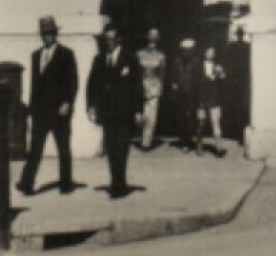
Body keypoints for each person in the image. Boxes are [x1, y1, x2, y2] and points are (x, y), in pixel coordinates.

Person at [17, 15, 78, 196]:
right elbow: (35, 85)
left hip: (60, 110)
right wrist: (31, 109)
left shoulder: (66, 54)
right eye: (44, 34)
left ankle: (65, 183)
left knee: (63, 148)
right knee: (35, 149)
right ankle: (26, 183)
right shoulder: (36, 55)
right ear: (41, 35)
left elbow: (73, 81)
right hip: (40, 111)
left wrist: (67, 102)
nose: (48, 37)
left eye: (51, 33)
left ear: (56, 33)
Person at [86, 26, 142, 198]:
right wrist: (91, 106)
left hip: (125, 111)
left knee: (122, 147)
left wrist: (138, 110)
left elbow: (137, 86)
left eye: (111, 39)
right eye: (106, 40)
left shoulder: (130, 59)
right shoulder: (99, 59)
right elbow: (92, 84)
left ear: (118, 40)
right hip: (107, 111)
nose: (108, 43)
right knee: (111, 147)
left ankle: (120, 183)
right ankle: (115, 181)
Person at [135, 28, 167, 151]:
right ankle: (141, 136)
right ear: (147, 37)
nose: (153, 39)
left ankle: (146, 142)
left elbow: (162, 74)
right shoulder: (139, 54)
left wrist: (161, 87)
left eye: (155, 36)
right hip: (140, 85)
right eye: (151, 35)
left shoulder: (161, 56)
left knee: (151, 116)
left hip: (154, 86)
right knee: (140, 114)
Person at [168, 38, 202, 153]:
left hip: (193, 95)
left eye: (188, 50)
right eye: (184, 50)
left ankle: (192, 142)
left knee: (191, 118)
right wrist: (174, 85)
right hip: (180, 95)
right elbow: (172, 76)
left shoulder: (197, 62)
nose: (186, 53)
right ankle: (184, 141)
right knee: (181, 118)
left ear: (192, 51)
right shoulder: (176, 61)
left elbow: (199, 79)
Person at [199, 45, 228, 156]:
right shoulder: (199, 66)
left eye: (213, 52)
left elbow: (224, 80)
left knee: (216, 122)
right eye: (209, 52)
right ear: (204, 54)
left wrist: (221, 74)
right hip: (202, 98)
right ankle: (199, 145)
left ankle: (219, 148)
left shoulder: (218, 66)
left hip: (214, 98)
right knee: (200, 122)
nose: (211, 54)